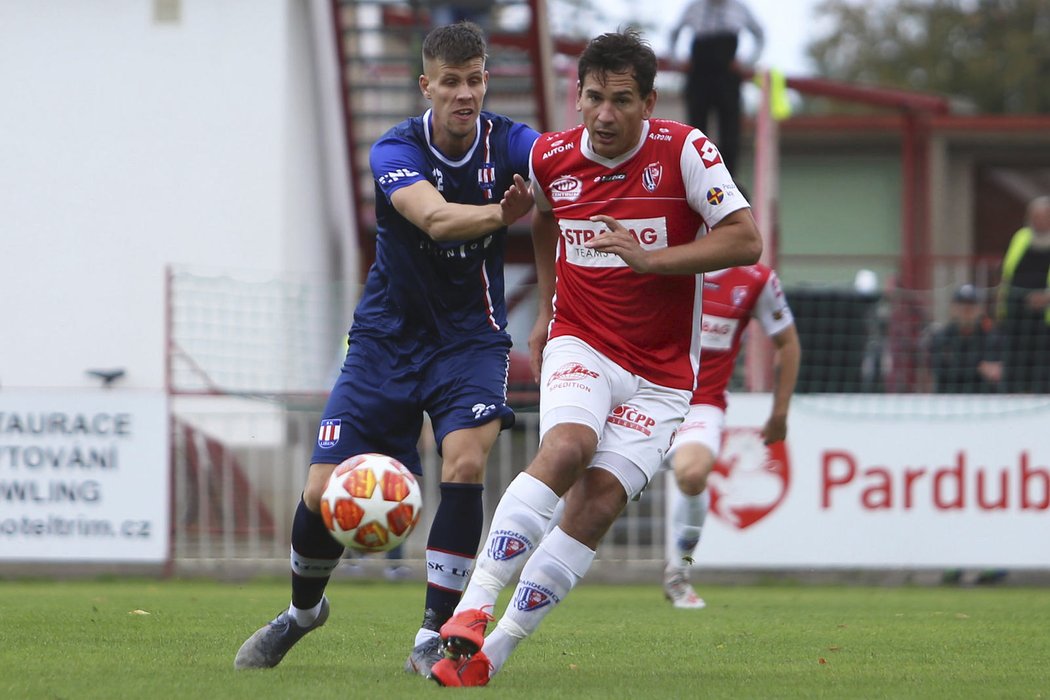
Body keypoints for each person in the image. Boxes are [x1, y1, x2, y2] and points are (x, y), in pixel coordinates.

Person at [428, 29, 762, 687]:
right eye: (592, 98)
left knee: (597, 503)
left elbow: (746, 240)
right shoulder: (552, 157)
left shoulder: (685, 151)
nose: (604, 115)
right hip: (583, 340)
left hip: (664, 377)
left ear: (648, 101)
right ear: (576, 97)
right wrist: (550, 312)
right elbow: (547, 217)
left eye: (620, 100)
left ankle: (492, 653)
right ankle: (470, 608)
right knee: (567, 448)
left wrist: (653, 260)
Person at [233, 22, 540, 677]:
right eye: (451, 81)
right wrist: (501, 216)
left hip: (470, 342)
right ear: (425, 84)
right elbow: (431, 216)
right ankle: (301, 613)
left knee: (462, 463)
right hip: (384, 343)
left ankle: (432, 634)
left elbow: (562, 171)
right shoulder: (394, 148)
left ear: (487, 78)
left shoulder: (511, 142)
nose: (465, 93)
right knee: (320, 491)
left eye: (476, 78)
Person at [663, 263, 800, 609]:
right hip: (645, 394)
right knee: (581, 474)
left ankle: (679, 571)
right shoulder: (662, 256)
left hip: (702, 403)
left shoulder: (756, 279)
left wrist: (780, 412)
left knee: (693, 476)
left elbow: (788, 342)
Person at [668, 0, 765, 175]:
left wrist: (747, 62)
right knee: (696, 131)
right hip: (699, 75)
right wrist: (677, 61)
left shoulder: (739, 8)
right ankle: (696, 176)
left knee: (730, 132)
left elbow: (759, 34)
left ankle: (729, 181)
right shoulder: (694, 8)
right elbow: (673, 33)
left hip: (726, 75)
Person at [997, 195, 1050, 393]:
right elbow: (1008, 273)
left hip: (1044, 321)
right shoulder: (1021, 237)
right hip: (1016, 315)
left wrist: (1046, 298)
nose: (1036, 221)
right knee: (1013, 365)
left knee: (1041, 370)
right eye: (1033, 216)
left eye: (1042, 217)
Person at [926, 284, 1003, 394]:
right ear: (953, 308)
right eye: (962, 305)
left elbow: (995, 372)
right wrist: (978, 367)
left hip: (982, 401)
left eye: (971, 305)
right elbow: (940, 371)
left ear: (980, 309)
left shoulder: (992, 337)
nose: (966, 311)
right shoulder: (941, 337)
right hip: (948, 401)